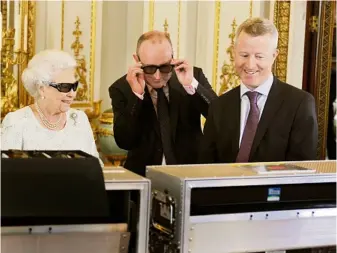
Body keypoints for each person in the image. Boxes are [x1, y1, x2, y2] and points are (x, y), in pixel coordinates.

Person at [199, 17, 318, 163]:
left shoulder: (299, 104)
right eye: (244, 55)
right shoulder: (220, 106)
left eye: (259, 56)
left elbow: (301, 172)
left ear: (274, 56)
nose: (250, 64)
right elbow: (205, 167)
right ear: (234, 53)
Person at [109, 30, 217, 176]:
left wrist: (190, 85)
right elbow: (124, 141)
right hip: (143, 177)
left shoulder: (193, 75)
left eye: (165, 67)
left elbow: (218, 118)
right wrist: (137, 96)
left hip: (190, 174)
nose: (157, 76)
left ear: (173, 58)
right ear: (137, 60)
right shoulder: (122, 88)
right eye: (150, 68)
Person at [1, 49, 101, 164]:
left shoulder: (79, 119)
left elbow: (95, 167)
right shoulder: (16, 122)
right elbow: (7, 173)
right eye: (64, 87)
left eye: (74, 86)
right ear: (42, 88)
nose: (72, 94)